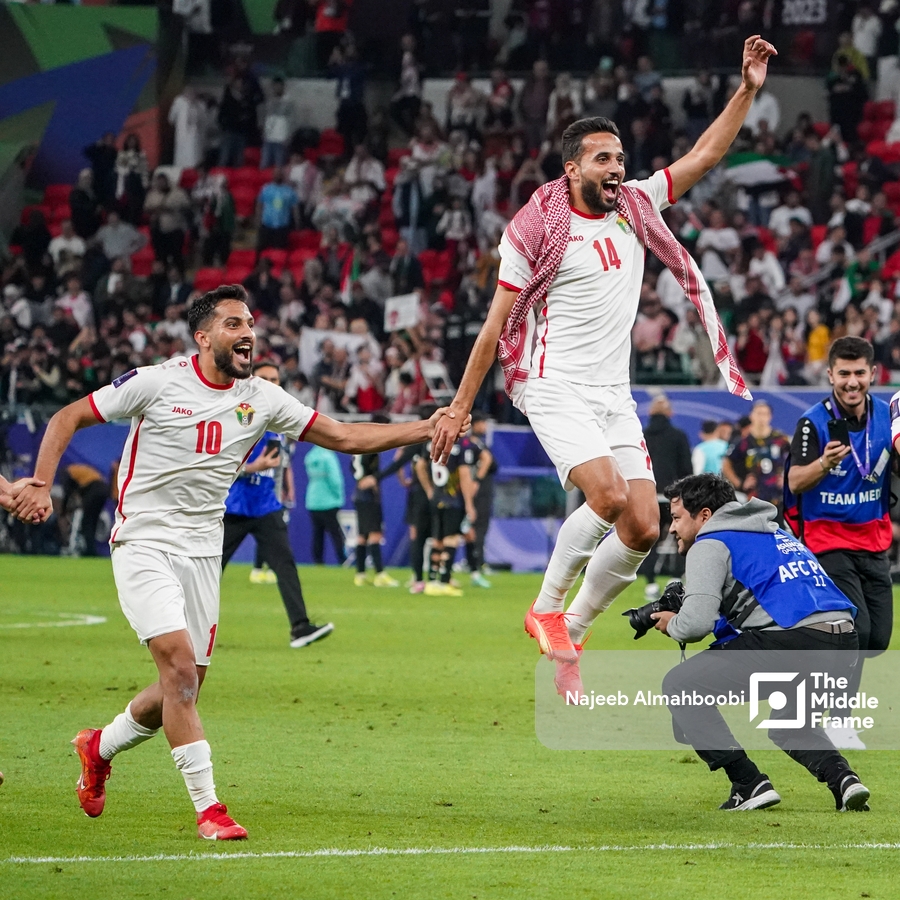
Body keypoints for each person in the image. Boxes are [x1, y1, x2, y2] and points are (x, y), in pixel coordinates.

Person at [7, 284, 466, 840]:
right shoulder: (156, 382)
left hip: (203, 549)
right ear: (203, 338)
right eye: (232, 324)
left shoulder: (262, 398)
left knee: (184, 687)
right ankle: (209, 810)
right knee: (178, 669)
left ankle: (98, 747)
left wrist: (425, 427)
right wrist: (41, 483)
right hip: (144, 540)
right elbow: (66, 417)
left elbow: (343, 435)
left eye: (249, 323)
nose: (247, 332)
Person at [431, 36, 776, 688]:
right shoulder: (534, 231)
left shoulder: (639, 207)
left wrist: (748, 90)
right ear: (571, 170)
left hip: (612, 393)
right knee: (609, 495)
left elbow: (704, 155)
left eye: (620, 157)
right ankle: (546, 608)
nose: (616, 167)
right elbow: (494, 326)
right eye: (601, 158)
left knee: (644, 526)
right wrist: (460, 404)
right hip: (551, 382)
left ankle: (573, 638)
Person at [651, 474, 870, 813]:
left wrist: (672, 624)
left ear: (705, 515)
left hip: (794, 641)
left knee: (681, 685)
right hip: (844, 641)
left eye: (677, 517)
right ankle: (845, 782)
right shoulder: (776, 532)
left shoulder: (710, 543)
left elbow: (695, 625)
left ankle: (748, 783)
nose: (671, 528)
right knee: (792, 725)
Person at [786, 336, 893, 750]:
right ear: (829, 374)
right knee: (856, 629)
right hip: (827, 540)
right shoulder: (813, 422)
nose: (852, 382)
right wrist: (823, 464)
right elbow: (795, 481)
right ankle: (839, 718)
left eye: (859, 373)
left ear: (872, 374)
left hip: (874, 540)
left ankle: (815, 682)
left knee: (877, 638)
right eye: (844, 373)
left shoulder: (887, 417)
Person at [222, 361, 334, 648]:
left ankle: (300, 627)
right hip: (234, 505)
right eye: (265, 378)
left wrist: (284, 487)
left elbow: (280, 464)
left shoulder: (278, 421)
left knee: (285, 565)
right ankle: (175, 628)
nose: (271, 384)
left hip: (266, 506)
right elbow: (219, 459)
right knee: (207, 570)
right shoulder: (241, 413)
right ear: (250, 382)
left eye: (275, 379)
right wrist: (252, 466)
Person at [639, 393, 693, 600]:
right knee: (681, 538)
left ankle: (650, 584)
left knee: (649, 542)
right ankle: (673, 580)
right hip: (674, 498)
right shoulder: (678, 436)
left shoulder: (641, 436)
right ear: (671, 413)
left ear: (651, 412)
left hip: (648, 497)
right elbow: (686, 469)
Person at [415, 433, 477, 597]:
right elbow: (464, 474)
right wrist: (469, 503)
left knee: (437, 540)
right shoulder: (461, 445)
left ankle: (432, 580)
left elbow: (420, 466)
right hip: (453, 500)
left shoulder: (433, 442)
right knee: (451, 539)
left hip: (436, 499)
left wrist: (429, 490)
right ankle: (444, 580)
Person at [350, 413, 399, 587]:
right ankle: (379, 574)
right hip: (367, 493)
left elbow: (353, 466)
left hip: (358, 492)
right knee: (374, 533)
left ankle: (360, 574)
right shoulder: (372, 444)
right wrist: (373, 480)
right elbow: (370, 469)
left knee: (362, 535)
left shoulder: (358, 441)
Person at [722, 400, 791, 520]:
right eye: (758, 413)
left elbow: (795, 460)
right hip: (753, 499)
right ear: (751, 416)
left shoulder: (780, 440)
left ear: (770, 417)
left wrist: (787, 479)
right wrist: (740, 483)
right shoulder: (743, 441)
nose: (761, 418)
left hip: (777, 499)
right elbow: (727, 463)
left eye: (765, 414)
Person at [462, 411, 496, 588]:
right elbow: (488, 460)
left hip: (475, 491)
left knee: (473, 529)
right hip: (474, 492)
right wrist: (477, 481)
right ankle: (477, 564)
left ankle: (475, 565)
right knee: (475, 528)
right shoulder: (471, 443)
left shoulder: (477, 443)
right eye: (482, 423)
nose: (485, 427)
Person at [303, 442, 348, 565]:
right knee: (335, 533)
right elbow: (335, 480)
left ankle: (318, 561)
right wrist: (339, 496)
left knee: (318, 533)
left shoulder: (310, 456)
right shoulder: (328, 456)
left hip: (312, 500)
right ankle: (342, 559)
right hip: (329, 501)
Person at [62, 463, 110, 557]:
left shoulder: (68, 472)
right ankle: (91, 549)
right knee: (93, 522)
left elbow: (67, 491)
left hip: (94, 489)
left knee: (86, 523)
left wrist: (63, 510)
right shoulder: (80, 471)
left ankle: (90, 551)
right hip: (103, 490)